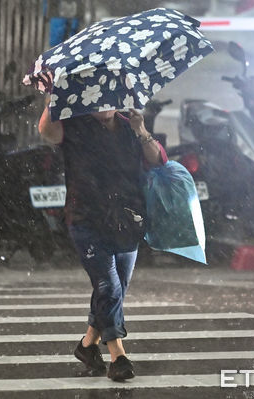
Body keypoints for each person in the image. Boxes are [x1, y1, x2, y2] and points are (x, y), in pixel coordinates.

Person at [38, 96, 167, 381]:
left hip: (127, 219)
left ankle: (87, 346)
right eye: (98, 98)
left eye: (111, 98)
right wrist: (53, 99)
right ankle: (118, 356)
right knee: (108, 285)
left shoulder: (128, 126)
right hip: (87, 218)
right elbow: (47, 131)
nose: (105, 104)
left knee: (116, 287)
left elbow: (157, 159)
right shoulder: (74, 125)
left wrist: (142, 130)